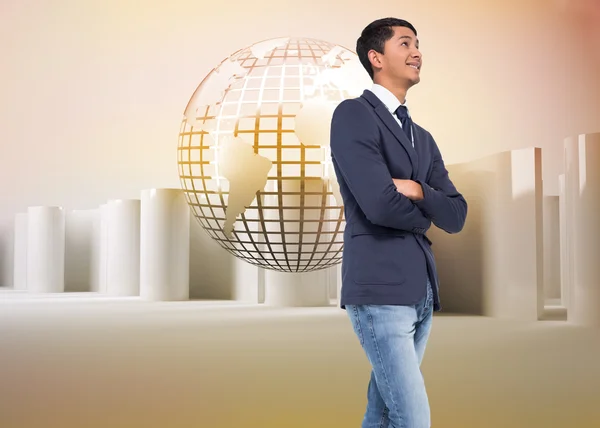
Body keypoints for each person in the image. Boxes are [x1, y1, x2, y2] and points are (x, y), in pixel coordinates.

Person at [329, 17, 468, 428]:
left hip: (421, 290)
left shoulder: (422, 137)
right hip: (379, 289)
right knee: (413, 416)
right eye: (405, 43)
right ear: (376, 58)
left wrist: (419, 190)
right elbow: (379, 204)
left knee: (385, 412)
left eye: (418, 44)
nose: (416, 52)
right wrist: (427, 217)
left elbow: (457, 215)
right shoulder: (354, 115)